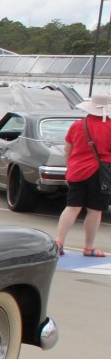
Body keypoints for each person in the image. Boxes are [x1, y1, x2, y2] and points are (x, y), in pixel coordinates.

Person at [54, 93, 110, 257]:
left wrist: (69, 168)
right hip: (100, 173)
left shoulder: (78, 125)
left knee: (72, 207)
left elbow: (67, 149)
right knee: (95, 210)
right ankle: (89, 247)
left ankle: (59, 242)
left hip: (77, 171)